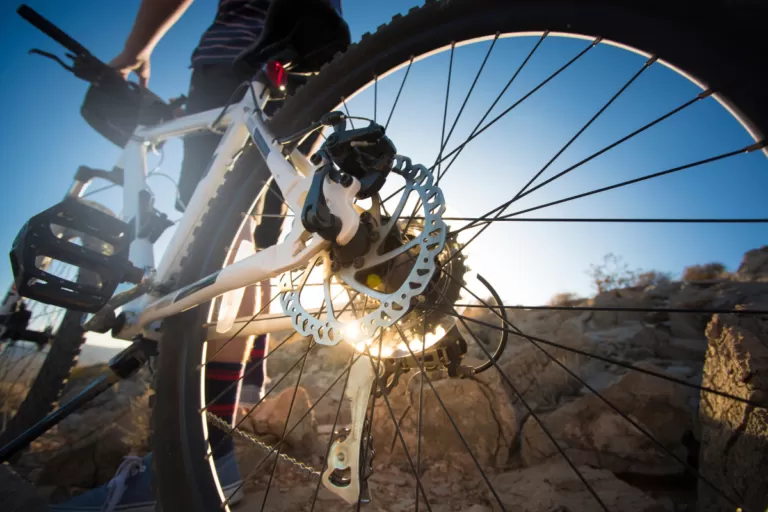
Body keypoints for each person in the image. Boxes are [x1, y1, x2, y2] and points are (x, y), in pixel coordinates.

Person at [51, 1, 343, 510]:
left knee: (216, 227)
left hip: (236, 54)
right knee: (251, 232)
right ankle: (243, 395)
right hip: (312, 43)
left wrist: (133, 52)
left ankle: (201, 457)